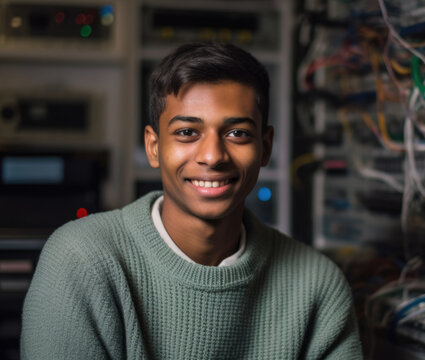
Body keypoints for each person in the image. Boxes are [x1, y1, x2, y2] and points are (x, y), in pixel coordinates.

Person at [21, 42, 362, 359]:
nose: (213, 156)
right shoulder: (81, 260)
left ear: (265, 147)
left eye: (237, 133)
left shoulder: (318, 285)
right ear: (154, 147)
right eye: (187, 132)